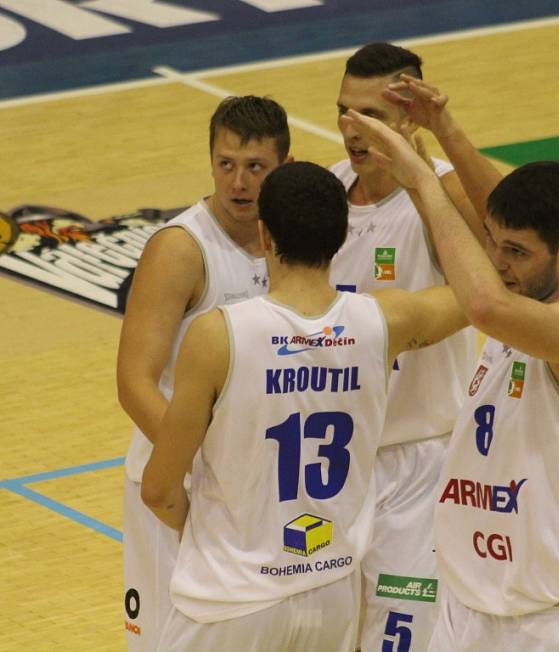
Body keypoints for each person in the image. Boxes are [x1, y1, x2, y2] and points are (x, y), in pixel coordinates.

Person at [342, 99, 559, 651]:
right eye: (493, 245)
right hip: (469, 613)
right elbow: (494, 228)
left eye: (515, 252)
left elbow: (484, 305)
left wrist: (422, 182)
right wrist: (448, 132)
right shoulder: (523, 295)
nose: (497, 262)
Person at [140, 161, 468, 651]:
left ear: (265, 234)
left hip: (230, 598)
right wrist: (423, 177)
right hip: (330, 595)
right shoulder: (386, 321)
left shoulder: (217, 334)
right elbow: (483, 293)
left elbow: (160, 490)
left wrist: (223, 539)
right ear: (340, 237)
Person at [116, 95, 291, 651]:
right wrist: (201, 461)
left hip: (257, 490)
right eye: (225, 164)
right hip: (179, 486)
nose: (238, 182)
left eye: (255, 167)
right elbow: (134, 382)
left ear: (283, 167)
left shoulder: (291, 240)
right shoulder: (180, 249)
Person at [330, 42, 480, 652]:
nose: (352, 130)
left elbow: (500, 247)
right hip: (332, 463)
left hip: (418, 465)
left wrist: (442, 143)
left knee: (401, 637)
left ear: (411, 118)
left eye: (372, 116)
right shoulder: (321, 193)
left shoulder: (442, 199)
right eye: (344, 111)